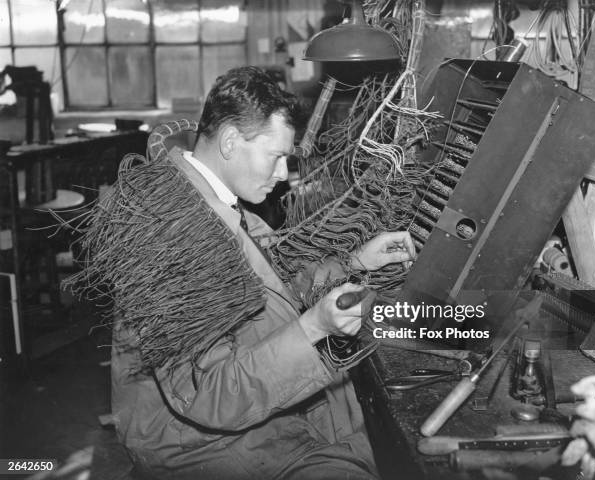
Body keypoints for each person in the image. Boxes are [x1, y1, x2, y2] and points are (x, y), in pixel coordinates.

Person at [85, 66, 415, 480]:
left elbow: (269, 280)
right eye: (276, 157)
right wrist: (313, 327)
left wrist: (355, 262)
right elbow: (211, 395)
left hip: (230, 426)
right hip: (197, 445)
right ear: (229, 141)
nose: (283, 176)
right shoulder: (173, 232)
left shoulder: (209, 199)